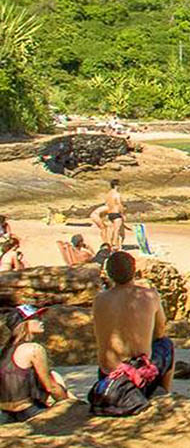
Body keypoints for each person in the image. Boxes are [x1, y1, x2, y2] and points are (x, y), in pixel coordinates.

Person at [91, 251, 174, 401]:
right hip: (137, 375)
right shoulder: (149, 295)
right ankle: (163, 395)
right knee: (166, 344)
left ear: (109, 274)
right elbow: (161, 331)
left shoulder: (99, 299)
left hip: (108, 374)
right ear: (134, 271)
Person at [1, 305, 71, 423]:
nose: (41, 321)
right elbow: (51, 387)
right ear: (24, 324)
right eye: (36, 318)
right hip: (28, 411)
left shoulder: (3, 351)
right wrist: (68, 404)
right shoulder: (33, 349)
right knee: (56, 378)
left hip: (4, 414)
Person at [105, 179, 126, 248]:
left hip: (110, 213)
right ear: (116, 186)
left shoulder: (108, 194)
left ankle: (110, 244)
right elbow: (119, 205)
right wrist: (123, 214)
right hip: (116, 213)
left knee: (111, 230)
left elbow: (106, 204)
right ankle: (116, 245)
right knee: (117, 231)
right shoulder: (117, 194)